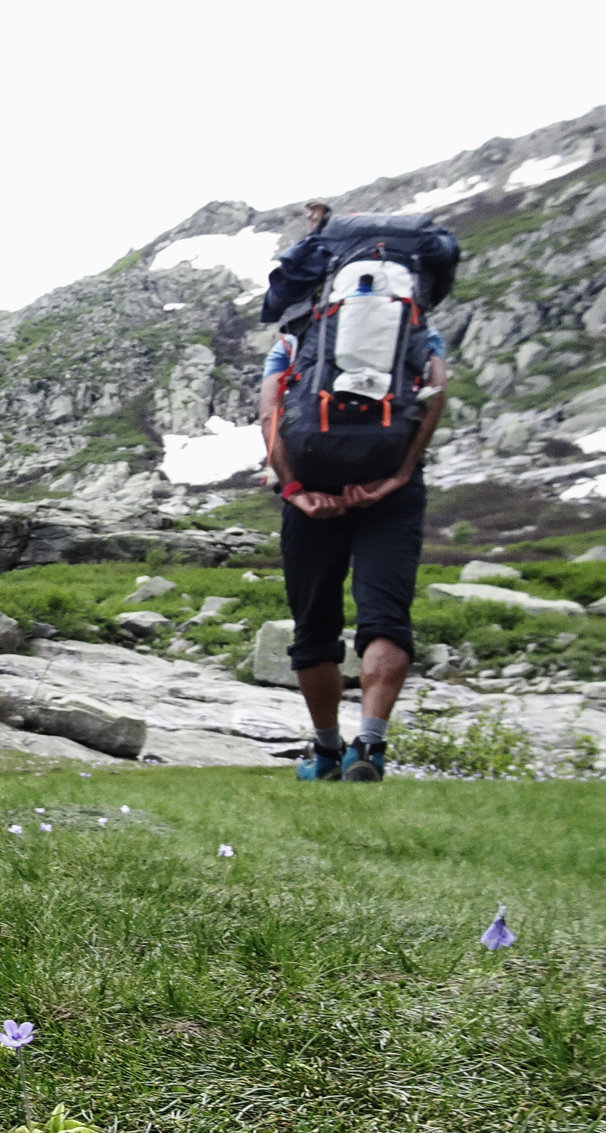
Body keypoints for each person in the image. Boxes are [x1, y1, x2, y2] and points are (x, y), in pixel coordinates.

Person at [259, 200, 451, 783]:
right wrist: (398, 475)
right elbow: (436, 395)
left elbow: (269, 412)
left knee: (314, 625)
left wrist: (294, 488)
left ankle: (324, 752)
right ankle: (369, 746)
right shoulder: (419, 331)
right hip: (389, 489)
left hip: (310, 489)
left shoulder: (295, 337)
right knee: (385, 619)